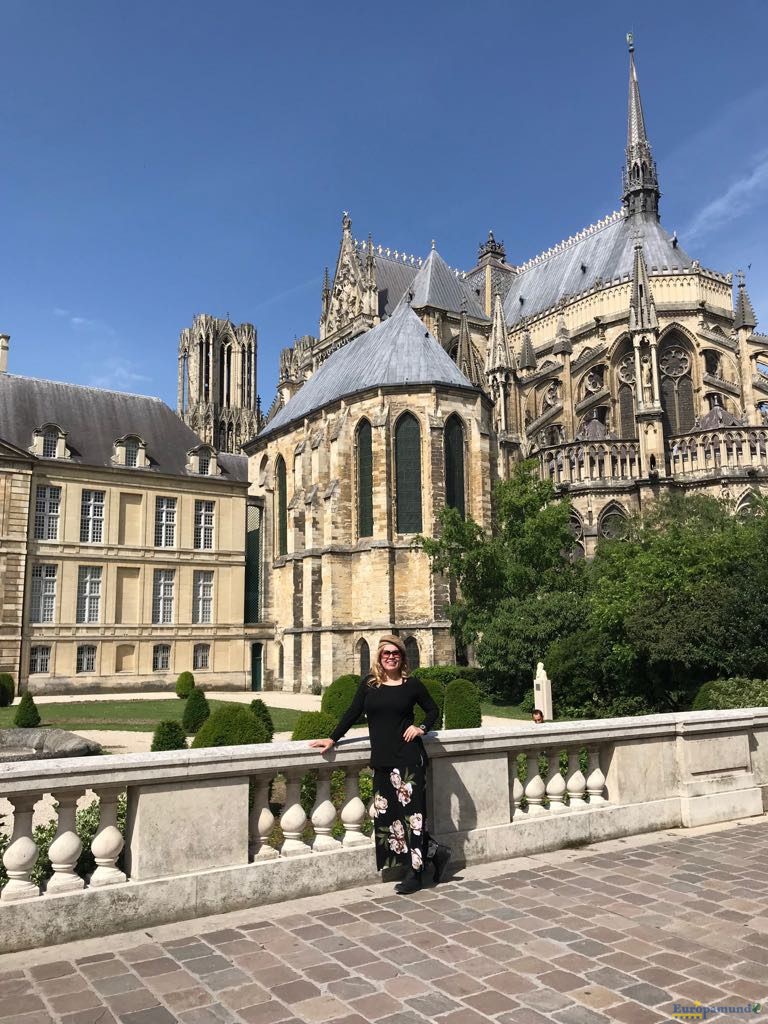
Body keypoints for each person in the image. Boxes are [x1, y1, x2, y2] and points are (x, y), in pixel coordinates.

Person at [309, 634, 450, 894]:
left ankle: (415, 873)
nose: (391, 657)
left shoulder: (412, 684)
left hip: (408, 759)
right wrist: (332, 738)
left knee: (413, 818)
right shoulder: (370, 684)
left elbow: (432, 710)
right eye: (386, 653)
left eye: (395, 653)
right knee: (390, 816)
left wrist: (420, 728)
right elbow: (352, 713)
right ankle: (434, 852)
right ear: (379, 657)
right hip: (383, 760)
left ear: (403, 657)